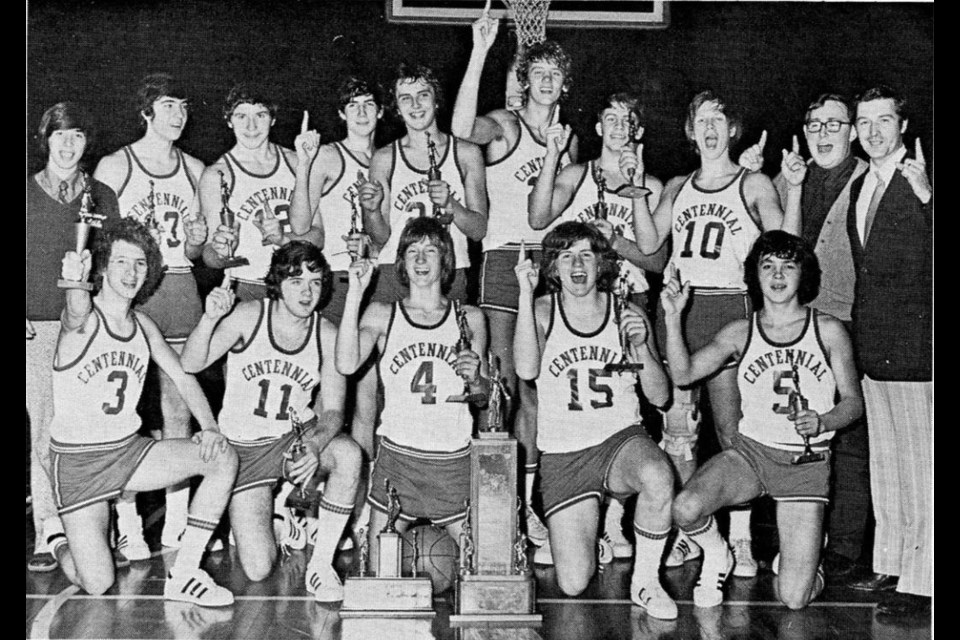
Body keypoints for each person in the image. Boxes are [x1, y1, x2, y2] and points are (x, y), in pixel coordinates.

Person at [632, 90, 799, 575]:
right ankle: (691, 534)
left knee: (732, 432)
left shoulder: (753, 183)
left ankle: (742, 539)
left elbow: (783, 242)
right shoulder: (680, 186)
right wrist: (640, 195)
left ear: (732, 130)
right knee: (680, 432)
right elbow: (648, 243)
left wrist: (790, 188)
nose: (709, 127)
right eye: (700, 119)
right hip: (683, 309)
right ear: (690, 131)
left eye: (718, 119)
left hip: (729, 308)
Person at [46, 217, 238, 606]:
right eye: (121, 262)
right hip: (79, 465)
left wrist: (211, 427)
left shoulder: (143, 325)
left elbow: (184, 378)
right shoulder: (82, 319)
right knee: (97, 582)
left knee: (222, 458)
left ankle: (184, 573)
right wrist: (74, 283)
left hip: (128, 453)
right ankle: (57, 539)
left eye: (140, 263)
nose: (132, 272)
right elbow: (75, 311)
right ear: (102, 267)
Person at [666, 230, 863, 610]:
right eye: (767, 266)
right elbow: (684, 374)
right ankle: (718, 553)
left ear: (803, 275)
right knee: (685, 508)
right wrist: (673, 319)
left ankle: (809, 560)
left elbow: (853, 403)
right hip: (751, 456)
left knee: (793, 599)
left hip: (803, 465)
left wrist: (823, 421)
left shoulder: (828, 330)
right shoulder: (740, 332)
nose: (777, 275)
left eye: (788, 266)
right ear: (754, 275)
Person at [451, 13, 578, 546]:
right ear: (526, 80)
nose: (546, 81)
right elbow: (461, 129)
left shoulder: (566, 142)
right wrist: (480, 50)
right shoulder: (505, 124)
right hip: (505, 261)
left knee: (542, 391)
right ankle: (498, 511)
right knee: (504, 387)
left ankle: (532, 507)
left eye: (555, 74)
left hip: (550, 264)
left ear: (564, 83)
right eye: (538, 72)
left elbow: (553, 215)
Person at [527, 92, 669, 559]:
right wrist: (551, 156)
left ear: (638, 130)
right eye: (609, 118)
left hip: (629, 296)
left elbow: (657, 257)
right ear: (597, 127)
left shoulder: (649, 182)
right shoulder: (577, 173)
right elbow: (537, 216)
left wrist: (616, 243)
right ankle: (582, 510)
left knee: (631, 407)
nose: (617, 127)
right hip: (577, 301)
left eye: (627, 120)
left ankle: (614, 521)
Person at [180, 242, 362, 602]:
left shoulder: (325, 333)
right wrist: (209, 318)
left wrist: (315, 443)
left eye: (315, 281)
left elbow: (334, 411)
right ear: (277, 283)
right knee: (259, 568)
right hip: (243, 450)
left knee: (348, 454)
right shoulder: (250, 315)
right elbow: (190, 363)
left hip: (290, 442)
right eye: (296, 281)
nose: (307, 291)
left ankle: (320, 566)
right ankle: (285, 512)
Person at [513, 221, 677, 620]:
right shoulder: (541, 311)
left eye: (586, 253)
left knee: (658, 475)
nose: (577, 263)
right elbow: (525, 368)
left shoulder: (627, 311)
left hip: (618, 440)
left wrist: (643, 349)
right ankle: (596, 522)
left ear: (601, 262)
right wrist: (522, 293)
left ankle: (646, 580)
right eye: (566, 255)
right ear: (552, 268)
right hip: (565, 453)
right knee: (573, 582)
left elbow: (660, 395)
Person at [740, 93, 871, 582]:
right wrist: (750, 170)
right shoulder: (788, 175)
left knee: (848, 437)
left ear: (852, 131)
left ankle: (843, 549)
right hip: (787, 325)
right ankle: (787, 541)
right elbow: (760, 237)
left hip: (844, 320)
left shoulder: (866, 178)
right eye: (814, 124)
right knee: (784, 425)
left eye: (833, 124)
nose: (822, 133)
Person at [94, 72, 208, 555]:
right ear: (145, 112)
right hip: (130, 287)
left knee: (178, 408)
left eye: (182, 106)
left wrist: (201, 239)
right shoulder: (115, 165)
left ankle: (177, 522)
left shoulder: (198, 170)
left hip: (179, 285)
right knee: (118, 409)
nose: (177, 115)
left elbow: (204, 253)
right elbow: (95, 240)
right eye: (166, 106)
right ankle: (127, 522)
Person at [335, 217, 489, 571]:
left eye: (430, 251)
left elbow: (482, 399)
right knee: (379, 574)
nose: (421, 260)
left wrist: (476, 380)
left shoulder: (470, 318)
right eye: (412, 251)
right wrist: (355, 292)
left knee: (480, 570)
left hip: (452, 463)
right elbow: (346, 363)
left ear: (445, 260)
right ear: (401, 262)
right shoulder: (382, 314)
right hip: (399, 464)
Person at [843, 86, 931, 619]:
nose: (874, 131)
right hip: (875, 346)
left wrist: (929, 201)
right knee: (889, 466)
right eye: (864, 122)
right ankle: (895, 563)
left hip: (918, 348)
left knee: (923, 469)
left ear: (902, 124)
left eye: (884, 121)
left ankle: (925, 581)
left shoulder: (920, 182)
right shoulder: (862, 186)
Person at [27, 102, 121, 573]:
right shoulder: (25, 193)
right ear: (45, 140)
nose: (68, 144)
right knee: (45, 430)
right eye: (60, 135)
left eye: (78, 135)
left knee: (92, 429)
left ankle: (97, 528)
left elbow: (112, 260)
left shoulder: (101, 196)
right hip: (37, 326)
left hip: (88, 326)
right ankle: (50, 527)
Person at [360, 62, 487, 305]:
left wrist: (452, 205)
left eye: (423, 95)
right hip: (396, 273)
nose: (415, 105)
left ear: (436, 100)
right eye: (406, 98)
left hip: (449, 270)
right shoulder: (385, 158)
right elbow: (379, 238)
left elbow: (479, 230)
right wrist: (372, 210)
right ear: (397, 107)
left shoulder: (466, 153)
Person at [200, 82, 322, 301]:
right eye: (241, 116)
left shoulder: (297, 162)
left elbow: (318, 237)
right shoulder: (217, 174)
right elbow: (208, 255)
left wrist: (283, 239)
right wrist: (220, 250)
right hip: (246, 287)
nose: (251, 126)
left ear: (273, 119)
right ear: (229, 121)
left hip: (297, 288)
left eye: (261, 115)